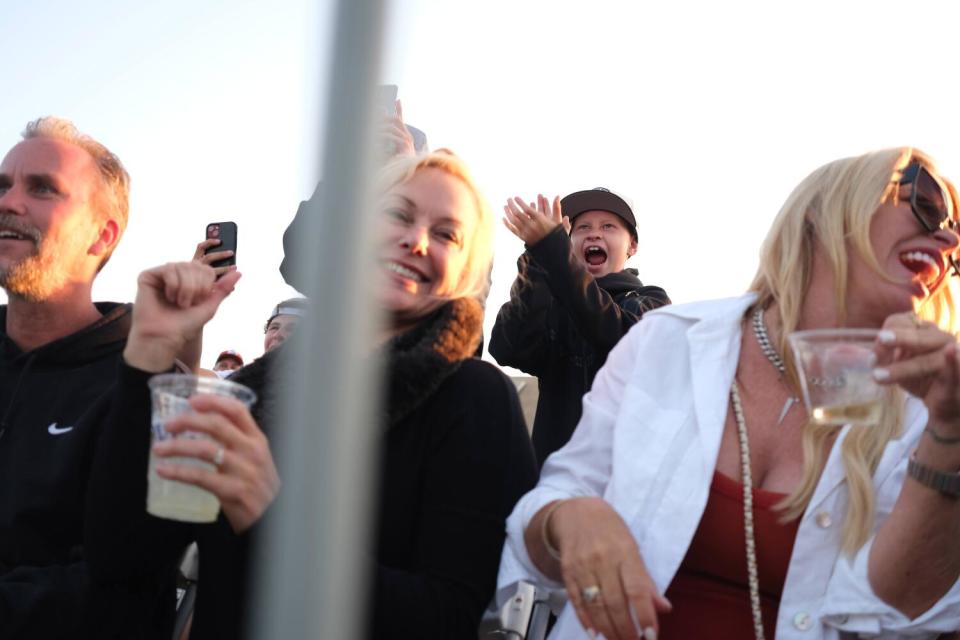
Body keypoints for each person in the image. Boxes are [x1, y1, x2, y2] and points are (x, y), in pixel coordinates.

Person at [498, 148, 960, 639]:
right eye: (927, 205)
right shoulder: (676, 341)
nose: (948, 235)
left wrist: (949, 438)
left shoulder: (927, 409)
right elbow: (513, 360)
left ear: (632, 246)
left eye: (955, 227)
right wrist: (569, 517)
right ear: (820, 216)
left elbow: (913, 617)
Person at [85, 150, 538, 639]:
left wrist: (271, 517)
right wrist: (147, 357)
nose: (417, 240)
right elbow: (122, 559)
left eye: (448, 234)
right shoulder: (254, 391)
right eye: (397, 214)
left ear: (467, 274)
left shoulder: (476, 397)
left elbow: (450, 620)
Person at [0, 117, 173, 637]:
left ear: (102, 236)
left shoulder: (147, 390)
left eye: (43, 189)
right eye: (3, 185)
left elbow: (122, 593)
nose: (9, 202)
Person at [490, 188, 670, 464]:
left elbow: (614, 333)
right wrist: (539, 258)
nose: (594, 234)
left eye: (608, 226)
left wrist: (555, 256)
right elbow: (507, 347)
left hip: (627, 476)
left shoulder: (651, 301)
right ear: (568, 243)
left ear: (632, 245)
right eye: (582, 227)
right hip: (554, 480)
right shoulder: (551, 303)